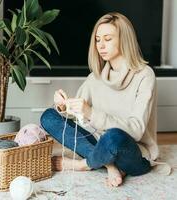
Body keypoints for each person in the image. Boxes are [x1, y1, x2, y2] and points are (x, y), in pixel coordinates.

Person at [40, 12, 171, 188]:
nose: (100, 45)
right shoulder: (95, 77)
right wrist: (63, 106)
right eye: (97, 39)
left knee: (113, 137)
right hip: (100, 143)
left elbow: (137, 130)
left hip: (134, 152)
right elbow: (77, 117)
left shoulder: (145, 75)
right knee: (48, 116)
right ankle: (109, 165)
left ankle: (83, 165)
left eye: (107, 39)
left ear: (124, 40)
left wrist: (91, 112)